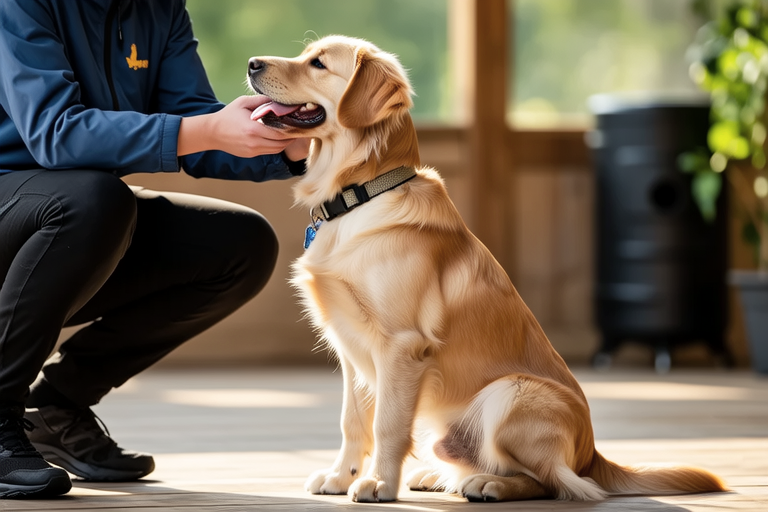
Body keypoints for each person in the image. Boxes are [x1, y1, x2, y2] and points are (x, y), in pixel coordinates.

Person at [0, 0, 310, 498]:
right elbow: (54, 134)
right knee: (94, 200)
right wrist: (208, 128)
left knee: (239, 243)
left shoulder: (159, 9)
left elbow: (193, 120)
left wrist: (290, 144)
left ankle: (57, 407)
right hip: (27, 206)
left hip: (77, 216)